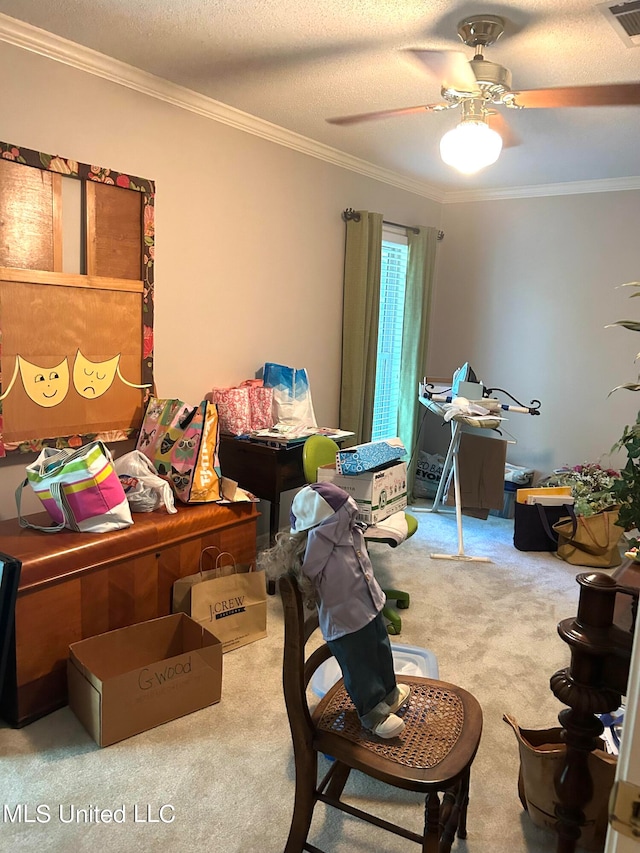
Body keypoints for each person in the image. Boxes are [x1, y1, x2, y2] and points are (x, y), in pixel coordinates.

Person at [263, 481, 410, 739]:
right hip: (345, 623)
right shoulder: (317, 549)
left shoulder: (350, 534)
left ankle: (389, 692)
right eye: (342, 515)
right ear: (327, 524)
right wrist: (327, 527)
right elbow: (310, 564)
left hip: (371, 607)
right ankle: (372, 715)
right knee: (360, 668)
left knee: (380, 651)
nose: (349, 517)